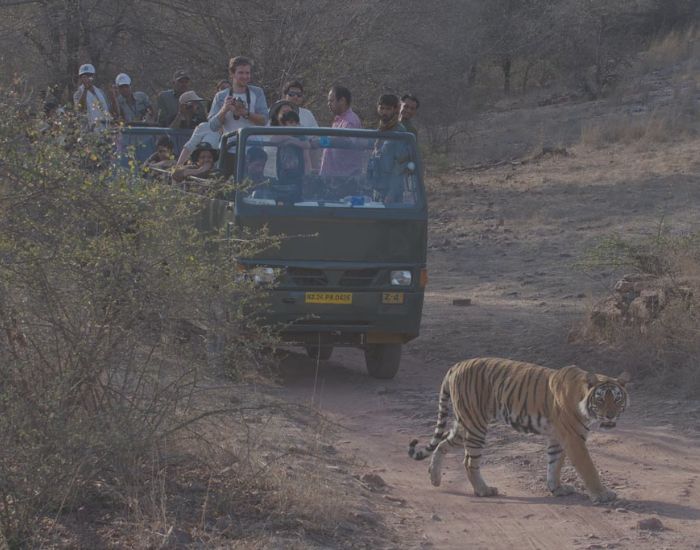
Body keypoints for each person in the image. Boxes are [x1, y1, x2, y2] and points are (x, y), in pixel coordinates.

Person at [368, 94, 411, 204]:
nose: (384, 112)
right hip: (377, 188)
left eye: (388, 109)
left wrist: (392, 193)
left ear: (395, 109)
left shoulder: (399, 132)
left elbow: (400, 166)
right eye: (382, 108)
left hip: (392, 192)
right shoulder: (381, 129)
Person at [209, 56, 268, 133]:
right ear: (232, 74)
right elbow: (212, 127)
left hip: (254, 143)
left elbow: (264, 121)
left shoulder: (257, 92)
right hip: (230, 143)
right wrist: (224, 109)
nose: (245, 76)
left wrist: (246, 113)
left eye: (247, 73)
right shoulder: (221, 96)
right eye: (241, 73)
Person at [319, 86, 362, 176]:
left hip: (344, 179)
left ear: (342, 100)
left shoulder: (350, 121)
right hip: (333, 178)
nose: (328, 104)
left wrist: (321, 141)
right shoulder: (338, 119)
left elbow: (347, 143)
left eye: (331, 101)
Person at [73, 63, 112, 132]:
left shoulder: (101, 92)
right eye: (85, 76)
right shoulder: (77, 94)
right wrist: (85, 89)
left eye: (90, 76)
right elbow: (80, 110)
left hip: (105, 130)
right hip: (88, 132)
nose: (88, 79)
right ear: (81, 78)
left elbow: (107, 111)